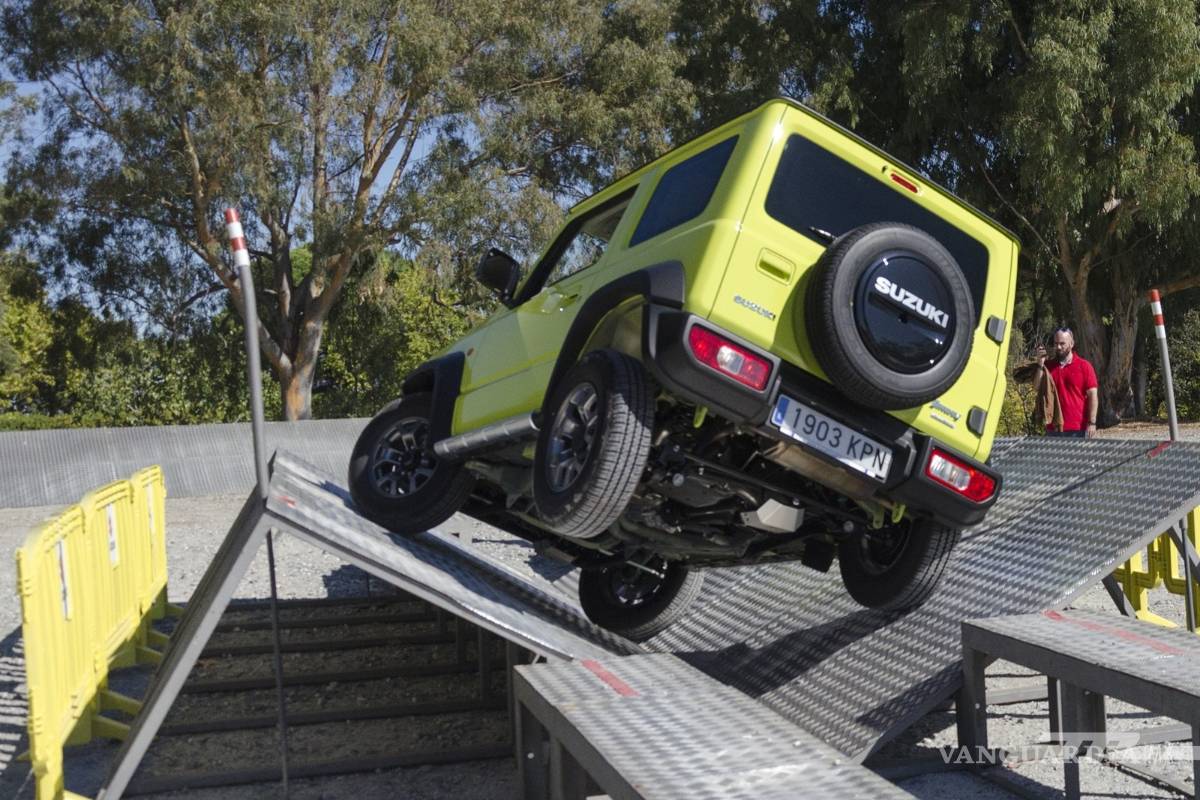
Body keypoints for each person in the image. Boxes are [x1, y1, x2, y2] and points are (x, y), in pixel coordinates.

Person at [1034, 327, 1098, 438]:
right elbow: (1037, 387)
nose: (1058, 347)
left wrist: (1092, 422)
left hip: (1077, 429)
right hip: (1053, 429)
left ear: (1072, 344)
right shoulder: (1048, 366)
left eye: (1062, 344)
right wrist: (1040, 364)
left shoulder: (1084, 366)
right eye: (1056, 343)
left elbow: (1093, 395)